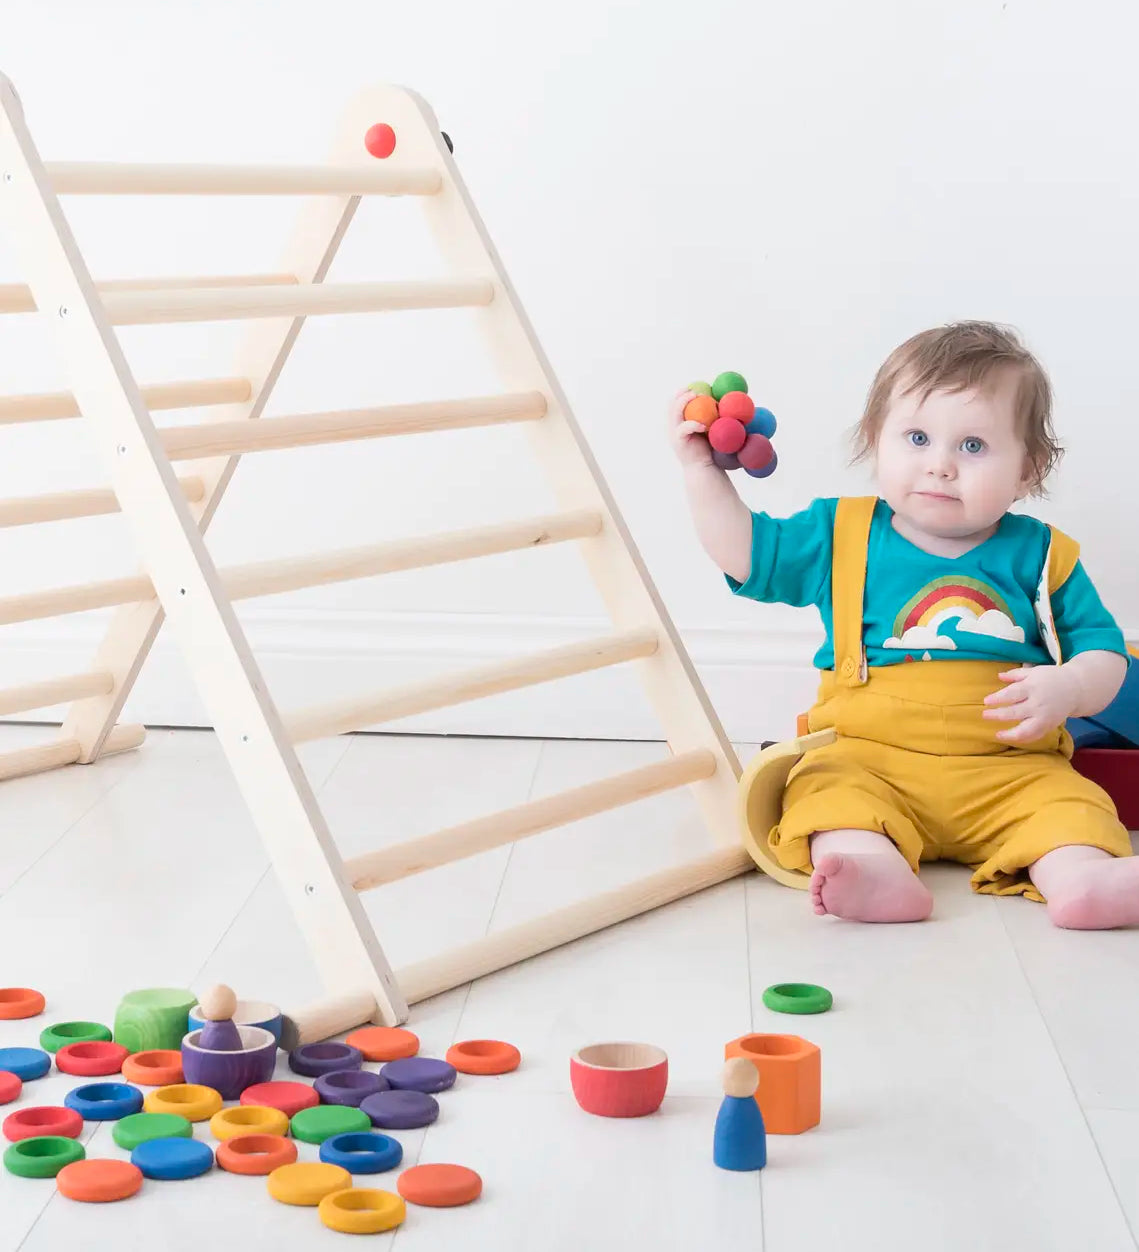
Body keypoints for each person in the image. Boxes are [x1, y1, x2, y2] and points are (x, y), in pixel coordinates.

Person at [672, 321, 1135, 927]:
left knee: (1071, 808)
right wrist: (703, 474)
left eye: (973, 446)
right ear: (875, 441)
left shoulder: (1045, 555)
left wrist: (1072, 687)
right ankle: (867, 868)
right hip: (870, 758)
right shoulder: (841, 533)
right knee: (826, 794)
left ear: (1028, 469)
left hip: (1011, 770)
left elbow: (1106, 656)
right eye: (917, 437)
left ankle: (1084, 881)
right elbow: (747, 554)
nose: (940, 465)